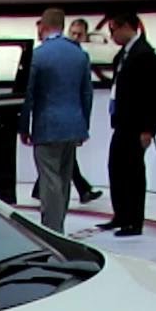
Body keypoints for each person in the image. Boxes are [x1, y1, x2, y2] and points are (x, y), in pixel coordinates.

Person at [96, 12, 156, 237]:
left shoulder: (145, 55)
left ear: (126, 27)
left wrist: (150, 127)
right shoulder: (124, 55)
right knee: (117, 168)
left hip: (137, 125)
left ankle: (134, 220)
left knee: (133, 173)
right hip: (122, 122)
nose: (112, 35)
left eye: (113, 29)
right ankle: (121, 215)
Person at [18, 8, 94, 233]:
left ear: (43, 26)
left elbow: (28, 95)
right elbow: (87, 94)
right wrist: (84, 126)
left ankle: (52, 230)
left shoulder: (38, 55)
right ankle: (58, 224)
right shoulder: (79, 54)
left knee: (50, 180)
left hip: (47, 126)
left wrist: (23, 126)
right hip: (73, 127)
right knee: (63, 178)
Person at [66, 18, 103, 203]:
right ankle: (84, 190)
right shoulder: (68, 55)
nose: (75, 37)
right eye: (72, 33)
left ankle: (83, 190)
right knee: (65, 154)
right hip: (66, 113)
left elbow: (85, 90)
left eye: (79, 34)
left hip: (72, 112)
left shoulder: (82, 56)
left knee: (64, 154)